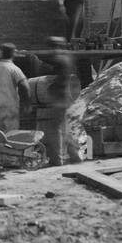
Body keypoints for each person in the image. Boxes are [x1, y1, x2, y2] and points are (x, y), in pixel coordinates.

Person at [28, 38, 82, 167]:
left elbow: (52, 62)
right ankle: (75, 156)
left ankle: (56, 159)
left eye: (51, 47)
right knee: (64, 129)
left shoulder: (61, 58)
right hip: (65, 98)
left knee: (55, 130)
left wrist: (33, 55)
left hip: (59, 98)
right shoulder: (67, 57)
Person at [0, 43, 31, 133]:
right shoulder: (14, 69)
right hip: (10, 107)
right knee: (12, 135)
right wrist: (27, 105)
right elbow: (25, 87)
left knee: (0, 136)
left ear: (1, 53)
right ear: (13, 54)